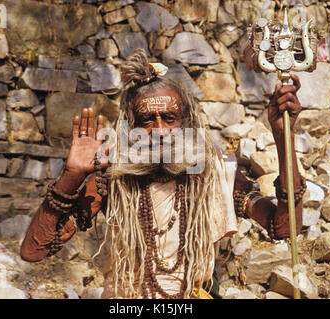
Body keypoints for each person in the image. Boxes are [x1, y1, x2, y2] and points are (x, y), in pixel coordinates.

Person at [20, 49, 306, 299]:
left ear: (186, 122)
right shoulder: (113, 180)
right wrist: (71, 175)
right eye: (147, 120)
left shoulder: (214, 171)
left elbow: (283, 228)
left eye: (169, 118)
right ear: (131, 127)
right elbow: (33, 252)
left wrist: (284, 138)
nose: (159, 131)